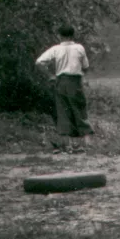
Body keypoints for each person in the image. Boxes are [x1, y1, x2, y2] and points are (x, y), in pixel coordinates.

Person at [35, 23, 94, 153]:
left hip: (60, 81)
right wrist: (80, 73)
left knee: (63, 111)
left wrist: (50, 76)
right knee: (79, 110)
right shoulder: (79, 48)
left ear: (59, 36)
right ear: (73, 35)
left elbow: (39, 62)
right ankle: (86, 144)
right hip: (75, 81)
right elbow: (86, 66)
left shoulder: (55, 49)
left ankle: (68, 146)